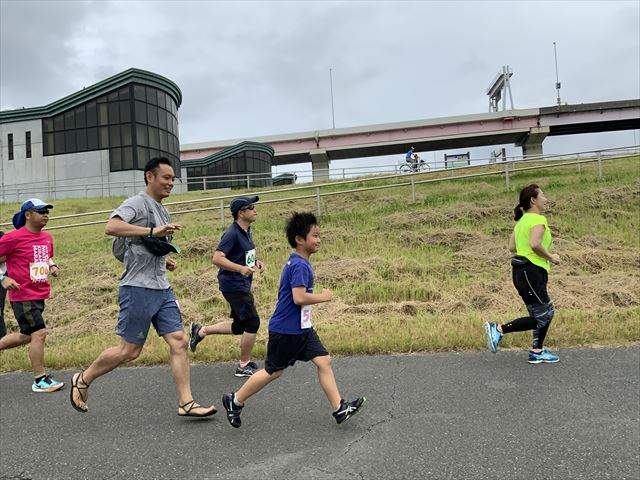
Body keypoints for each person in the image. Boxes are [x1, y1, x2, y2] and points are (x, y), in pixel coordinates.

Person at [69, 157, 216, 417]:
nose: (171, 183)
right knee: (130, 351)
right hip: (137, 287)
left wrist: (163, 258)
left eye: (173, 179)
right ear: (150, 176)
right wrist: (151, 231)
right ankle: (83, 378)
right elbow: (112, 226)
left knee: (179, 341)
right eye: (166, 178)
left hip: (162, 287)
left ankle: (186, 403)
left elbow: (146, 244)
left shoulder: (162, 210)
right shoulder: (137, 203)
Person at [221, 211, 366, 428]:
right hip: (286, 330)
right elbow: (299, 297)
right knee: (273, 371)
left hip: (302, 328)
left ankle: (339, 408)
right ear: (299, 239)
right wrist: (324, 297)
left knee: (324, 361)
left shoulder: (298, 262)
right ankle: (235, 400)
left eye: (319, 235)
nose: (319, 240)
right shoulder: (299, 265)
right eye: (314, 236)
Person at [188, 195, 265, 378]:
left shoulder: (246, 230)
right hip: (233, 284)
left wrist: (255, 262)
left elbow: (242, 255)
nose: (255, 210)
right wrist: (240, 269)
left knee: (239, 326)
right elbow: (217, 258)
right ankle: (243, 365)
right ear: (241, 213)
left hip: (240, 283)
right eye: (251, 207)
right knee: (253, 322)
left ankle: (201, 331)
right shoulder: (232, 233)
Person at [484, 184, 561, 364]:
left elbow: (512, 247)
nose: (546, 198)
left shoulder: (521, 222)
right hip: (532, 272)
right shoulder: (538, 220)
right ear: (533, 200)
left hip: (521, 272)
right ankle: (498, 329)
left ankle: (537, 351)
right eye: (543, 195)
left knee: (540, 313)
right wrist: (551, 257)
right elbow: (535, 244)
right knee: (545, 314)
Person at [0, 199, 64, 393]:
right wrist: (3, 278)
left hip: (40, 294)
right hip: (22, 294)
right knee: (40, 333)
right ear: (28, 215)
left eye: (47, 211)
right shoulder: (12, 238)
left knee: (26, 335)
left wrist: (52, 265)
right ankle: (40, 380)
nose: (46, 215)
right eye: (41, 211)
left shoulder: (47, 237)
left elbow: (45, 256)